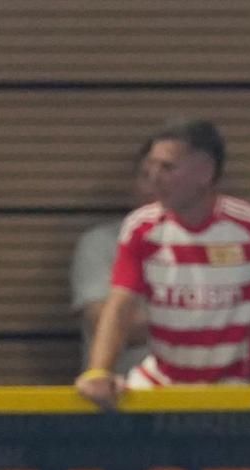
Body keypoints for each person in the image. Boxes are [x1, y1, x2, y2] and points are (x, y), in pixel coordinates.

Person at [76, 119, 250, 407]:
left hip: (239, 394)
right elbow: (119, 305)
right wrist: (98, 372)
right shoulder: (140, 227)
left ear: (205, 172)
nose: (154, 178)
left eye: (167, 168)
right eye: (151, 167)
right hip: (158, 386)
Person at [71, 141, 156, 379]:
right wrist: (203, 325)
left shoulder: (219, 244)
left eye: (167, 173)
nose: (154, 186)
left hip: (198, 394)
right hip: (119, 397)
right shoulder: (100, 243)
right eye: (145, 176)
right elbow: (108, 326)